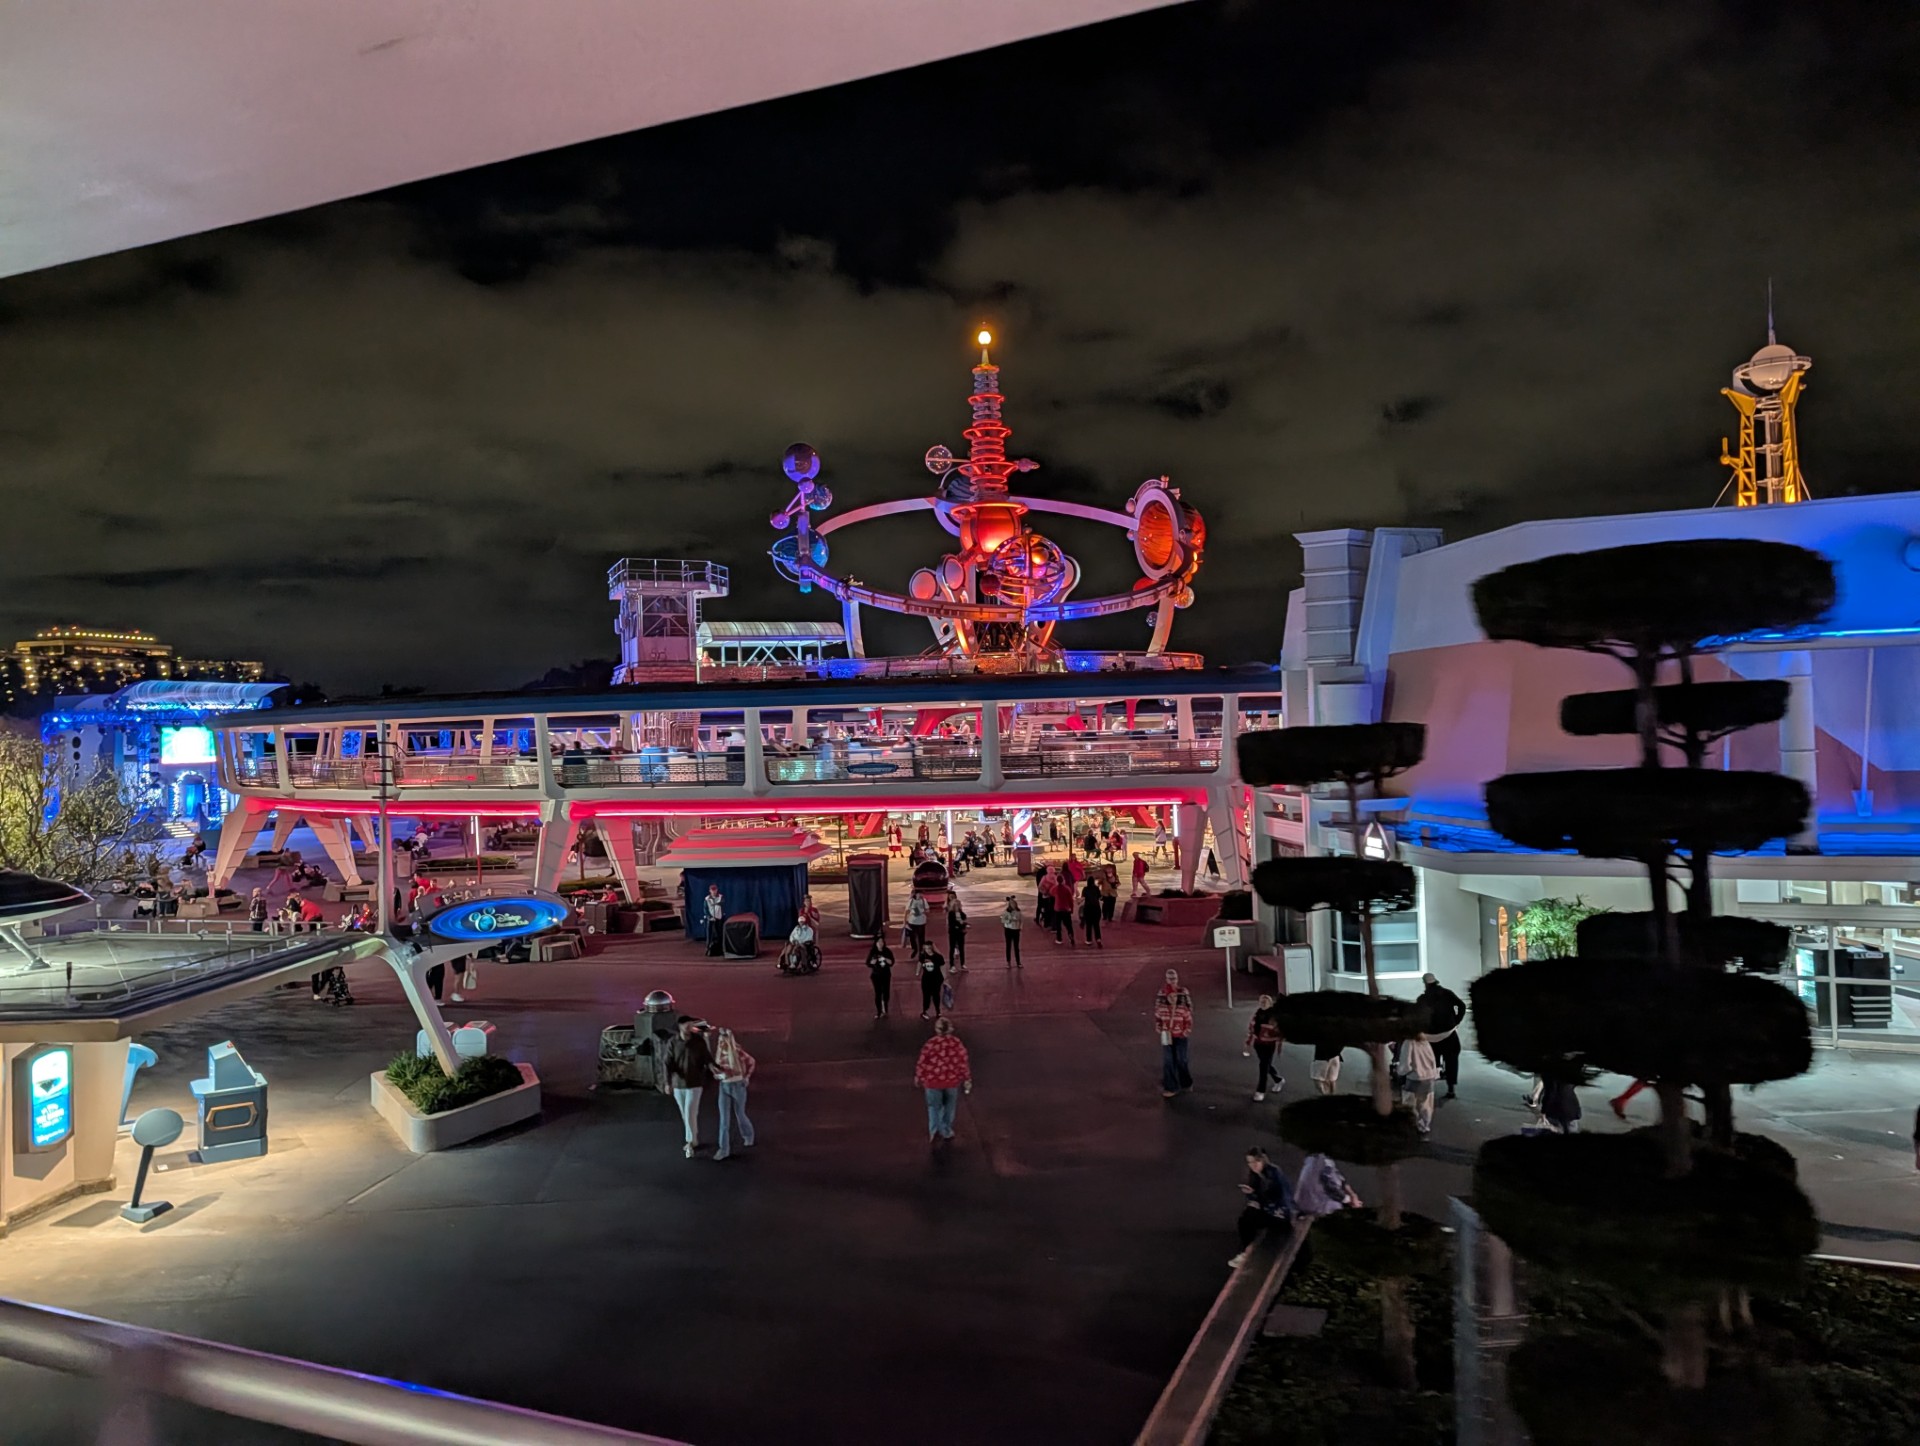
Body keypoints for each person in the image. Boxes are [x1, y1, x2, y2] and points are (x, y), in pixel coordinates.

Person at [1228, 1146, 1297, 1268]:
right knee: (1246, 1217)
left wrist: (1256, 1198)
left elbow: (1279, 1197)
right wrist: (1252, 1195)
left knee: (1249, 1217)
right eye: (1250, 1162)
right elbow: (1260, 1198)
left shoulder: (1273, 1173)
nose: (1253, 1165)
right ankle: (1246, 1252)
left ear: (1263, 1160)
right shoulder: (1255, 1176)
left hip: (1280, 1215)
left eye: (1256, 1161)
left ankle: (1248, 1253)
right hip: (1269, 1211)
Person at [914, 1017, 971, 1144]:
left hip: (932, 1082)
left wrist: (919, 1076)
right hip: (951, 1082)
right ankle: (946, 1130)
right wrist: (967, 1078)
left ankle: (934, 1130)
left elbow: (922, 1062)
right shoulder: (956, 1043)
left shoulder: (931, 1044)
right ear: (950, 1029)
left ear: (937, 1029)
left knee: (933, 1107)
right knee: (949, 1108)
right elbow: (963, 1062)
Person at [665, 1016, 713, 1158]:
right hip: (679, 1084)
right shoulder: (673, 1042)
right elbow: (667, 1063)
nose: (689, 1028)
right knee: (685, 1114)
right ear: (680, 1027)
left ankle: (690, 1143)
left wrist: (714, 1068)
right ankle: (694, 1138)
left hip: (695, 1083)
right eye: (686, 1025)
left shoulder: (698, 1041)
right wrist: (668, 1082)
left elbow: (707, 1058)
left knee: (689, 1112)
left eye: (690, 1025)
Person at [1418, 973, 1467, 1099]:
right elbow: (1462, 1006)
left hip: (1430, 1036)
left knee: (1430, 1062)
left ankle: (1430, 1089)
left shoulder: (1422, 999)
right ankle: (1451, 1089)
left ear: (1425, 983)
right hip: (1448, 1033)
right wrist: (1456, 1021)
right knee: (1451, 1060)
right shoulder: (1447, 994)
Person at [710, 1027, 756, 1160]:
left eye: (723, 1041)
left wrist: (747, 1077)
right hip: (724, 1086)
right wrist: (718, 1076)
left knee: (740, 1114)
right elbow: (716, 1070)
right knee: (724, 1119)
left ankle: (748, 1135)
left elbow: (751, 1061)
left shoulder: (737, 1052)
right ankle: (724, 1149)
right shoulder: (719, 1054)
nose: (721, 1044)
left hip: (737, 1086)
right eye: (720, 1041)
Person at [1155, 970, 1194, 1098]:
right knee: (1168, 1060)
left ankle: (1185, 1082)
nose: (1172, 981)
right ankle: (1171, 1086)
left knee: (1181, 1059)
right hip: (1167, 1034)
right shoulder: (1162, 995)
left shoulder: (1183, 993)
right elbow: (1157, 1014)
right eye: (1170, 979)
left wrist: (1186, 1030)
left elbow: (1189, 1011)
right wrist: (1159, 1026)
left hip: (1180, 1034)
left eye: (1174, 978)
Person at [1294, 1152, 1363, 1217]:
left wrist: (1352, 1194)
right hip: (1317, 1207)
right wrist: (1349, 1200)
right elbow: (1330, 1185)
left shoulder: (1314, 1160)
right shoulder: (1324, 1163)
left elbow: (1341, 1179)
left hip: (1302, 1205)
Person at [1246, 994, 1284, 1101]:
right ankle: (1278, 1080)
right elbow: (1252, 1028)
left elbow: (1279, 1031)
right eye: (1261, 1001)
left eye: (1265, 1001)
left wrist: (1279, 1045)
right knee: (1266, 1065)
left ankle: (1260, 1091)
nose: (1263, 1003)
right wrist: (1248, 1041)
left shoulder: (1273, 1016)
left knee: (1263, 1066)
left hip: (1269, 1044)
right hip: (1258, 1044)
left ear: (1270, 1003)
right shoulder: (1257, 1013)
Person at [1403, 1033, 1441, 1134]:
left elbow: (1406, 1063)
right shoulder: (1426, 1042)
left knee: (1411, 1103)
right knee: (1426, 1104)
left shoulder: (1408, 1042)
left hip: (1414, 1077)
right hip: (1429, 1077)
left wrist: (1400, 1072)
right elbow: (1433, 1060)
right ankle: (1425, 1125)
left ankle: (1414, 1125)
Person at [865, 938, 895, 1016]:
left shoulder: (887, 951)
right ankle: (879, 1011)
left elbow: (892, 962)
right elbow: (868, 963)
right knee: (878, 993)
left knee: (886, 992)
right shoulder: (873, 952)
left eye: (882, 942)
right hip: (876, 975)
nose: (880, 943)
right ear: (876, 943)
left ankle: (885, 1007)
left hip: (886, 975)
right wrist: (873, 961)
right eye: (879, 942)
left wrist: (885, 958)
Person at [917, 944, 947, 1019]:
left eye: (929, 948)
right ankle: (925, 1011)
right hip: (926, 979)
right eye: (926, 948)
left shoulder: (938, 957)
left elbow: (942, 967)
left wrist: (945, 978)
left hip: (936, 979)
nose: (927, 950)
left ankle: (938, 1011)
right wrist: (917, 972)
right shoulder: (923, 956)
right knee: (926, 996)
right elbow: (919, 963)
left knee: (936, 995)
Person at [1050, 871, 1078, 947]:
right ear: (1063, 880)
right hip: (1066, 909)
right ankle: (1071, 935)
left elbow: (1051, 892)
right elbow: (1070, 900)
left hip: (1058, 909)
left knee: (1058, 925)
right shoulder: (1067, 888)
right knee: (1068, 925)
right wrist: (1071, 909)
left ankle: (1059, 939)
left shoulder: (1055, 888)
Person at [999, 894, 1023, 967]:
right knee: (1008, 946)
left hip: (1016, 930)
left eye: (1014, 904)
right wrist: (1009, 920)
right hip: (1008, 930)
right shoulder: (1006, 912)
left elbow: (1021, 920)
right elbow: (1003, 920)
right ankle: (1008, 962)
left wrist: (1020, 927)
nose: (1013, 905)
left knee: (1016, 947)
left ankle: (1018, 962)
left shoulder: (1018, 911)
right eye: (1012, 904)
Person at [946, 894, 969, 971]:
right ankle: (952, 965)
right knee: (952, 948)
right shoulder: (951, 914)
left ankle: (962, 964)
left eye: (958, 905)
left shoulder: (961, 913)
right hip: (953, 933)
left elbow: (964, 917)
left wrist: (963, 924)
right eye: (956, 905)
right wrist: (960, 924)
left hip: (960, 933)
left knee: (961, 948)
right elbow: (952, 924)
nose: (957, 907)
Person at [1080, 877, 1104, 948]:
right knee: (1096, 925)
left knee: (1089, 925)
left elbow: (1083, 897)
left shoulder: (1085, 889)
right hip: (1096, 908)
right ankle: (1098, 939)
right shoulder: (1096, 888)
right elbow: (1100, 897)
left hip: (1088, 908)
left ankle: (1089, 940)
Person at [702, 883, 726, 956]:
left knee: (720, 933)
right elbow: (705, 909)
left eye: (715, 890)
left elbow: (722, 904)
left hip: (719, 918)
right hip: (711, 919)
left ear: (717, 890)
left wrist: (720, 914)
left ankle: (722, 948)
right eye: (712, 890)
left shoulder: (721, 897)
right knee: (709, 934)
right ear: (710, 891)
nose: (714, 891)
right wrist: (709, 916)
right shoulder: (707, 899)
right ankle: (708, 948)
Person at [905, 891, 929, 955]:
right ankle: (915, 948)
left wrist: (923, 912)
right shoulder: (911, 901)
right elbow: (906, 911)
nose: (920, 895)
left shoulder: (923, 901)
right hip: (912, 921)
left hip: (921, 922)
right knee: (912, 937)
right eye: (918, 894)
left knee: (921, 937)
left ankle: (921, 950)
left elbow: (927, 910)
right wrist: (905, 922)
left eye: (921, 894)